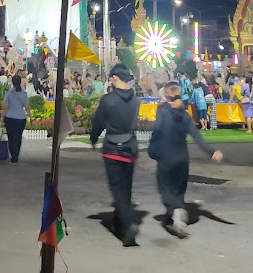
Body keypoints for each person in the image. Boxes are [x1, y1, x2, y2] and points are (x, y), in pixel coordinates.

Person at [150, 82, 224, 238]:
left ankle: (176, 212)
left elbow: (156, 131)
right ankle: (176, 213)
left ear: (167, 96)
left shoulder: (162, 111)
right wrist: (212, 151)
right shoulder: (185, 115)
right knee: (178, 189)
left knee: (165, 188)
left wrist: (152, 149)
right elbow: (197, 137)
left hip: (166, 157)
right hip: (182, 158)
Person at [89, 63, 141, 247]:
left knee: (117, 189)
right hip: (130, 147)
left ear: (116, 78)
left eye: (111, 78)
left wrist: (93, 137)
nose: (110, 81)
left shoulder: (108, 99)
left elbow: (99, 122)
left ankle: (128, 223)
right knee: (126, 188)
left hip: (112, 148)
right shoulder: (135, 100)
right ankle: (120, 224)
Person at [1, 74, 30, 164]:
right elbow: (27, 107)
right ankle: (16, 156)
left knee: (11, 137)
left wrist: (2, 118)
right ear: (20, 82)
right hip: (21, 118)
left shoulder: (9, 93)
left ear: (12, 82)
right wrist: (30, 116)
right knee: (18, 137)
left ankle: (13, 156)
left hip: (10, 117)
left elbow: (5, 107)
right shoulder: (24, 94)